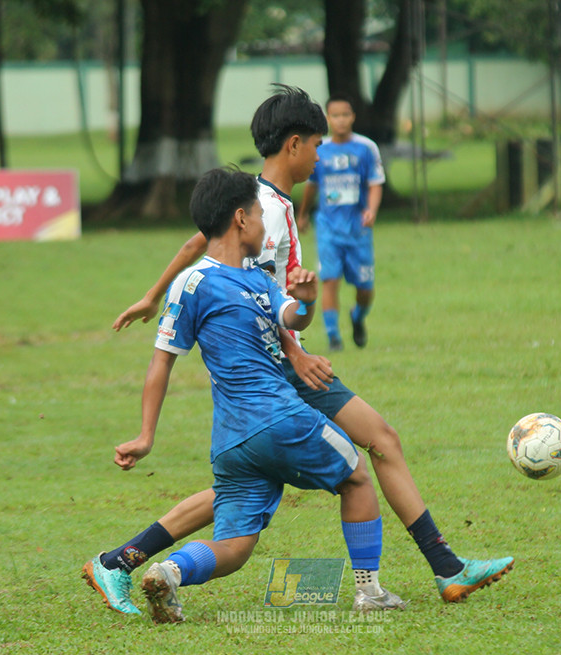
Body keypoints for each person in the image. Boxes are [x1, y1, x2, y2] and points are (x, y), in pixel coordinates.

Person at [91, 85, 513, 615]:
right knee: (374, 449)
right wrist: (294, 354)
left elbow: (199, 243)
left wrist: (156, 295)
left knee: (241, 496)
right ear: (294, 145)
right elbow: (252, 293)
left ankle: (121, 561)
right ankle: (424, 575)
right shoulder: (263, 210)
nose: (322, 154)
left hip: (272, 371)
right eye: (316, 144)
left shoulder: (264, 200)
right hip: (283, 369)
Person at [85, 167, 403, 623]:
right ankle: (368, 590)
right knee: (356, 477)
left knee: (235, 547)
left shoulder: (218, 281)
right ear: (240, 218)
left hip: (232, 442)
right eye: (257, 214)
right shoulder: (222, 280)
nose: (261, 223)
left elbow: (285, 322)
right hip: (283, 419)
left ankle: (170, 572)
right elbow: (167, 360)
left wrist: (306, 300)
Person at [298, 94, 385, 351]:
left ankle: (358, 316)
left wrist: (371, 210)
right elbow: (311, 186)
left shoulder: (366, 148)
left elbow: (375, 183)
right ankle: (333, 335)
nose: (341, 120)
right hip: (328, 227)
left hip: (358, 229)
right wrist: (302, 213)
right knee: (330, 279)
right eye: (335, 116)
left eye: (345, 115)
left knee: (365, 287)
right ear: (327, 118)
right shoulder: (319, 148)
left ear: (353, 117)